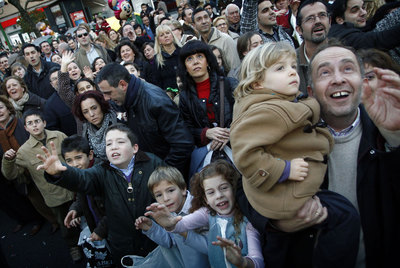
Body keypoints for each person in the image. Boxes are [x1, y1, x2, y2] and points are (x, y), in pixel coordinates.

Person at [230, 41, 360, 267]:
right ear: (258, 82)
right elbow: (244, 157)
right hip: (287, 201)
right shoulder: (270, 110)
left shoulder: (383, 133)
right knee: (345, 215)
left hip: (293, 200)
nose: (291, 71)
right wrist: (284, 170)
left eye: (292, 66)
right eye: (280, 68)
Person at [306, 40, 400, 267]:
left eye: (348, 69)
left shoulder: (384, 132)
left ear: (363, 80)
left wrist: (395, 135)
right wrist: (278, 222)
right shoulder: (293, 138)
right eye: (325, 72)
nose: (338, 79)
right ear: (311, 91)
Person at [37, 123, 163, 266]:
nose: (114, 147)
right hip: (123, 244)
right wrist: (60, 172)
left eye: (120, 142)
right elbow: (81, 179)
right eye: (109, 144)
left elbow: (170, 191)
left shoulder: (153, 163)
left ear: (135, 148)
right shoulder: (100, 172)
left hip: (156, 237)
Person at [145, 160, 265, 268]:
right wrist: (171, 224)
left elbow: (258, 261)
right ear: (206, 199)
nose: (219, 195)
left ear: (234, 188)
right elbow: (183, 224)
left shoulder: (248, 223)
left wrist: (243, 262)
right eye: (211, 192)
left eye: (223, 188)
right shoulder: (206, 213)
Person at [1, 108, 82, 262]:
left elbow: (72, 155)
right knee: (66, 224)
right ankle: (73, 246)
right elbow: (11, 174)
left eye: (37, 121)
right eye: (30, 123)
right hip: (54, 196)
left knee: (86, 214)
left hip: (74, 188)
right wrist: (8, 160)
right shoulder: (24, 151)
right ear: (25, 128)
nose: (35, 125)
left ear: (44, 122)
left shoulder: (59, 136)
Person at [96, 63, 194, 178]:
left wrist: (163, 173)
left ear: (122, 85)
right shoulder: (119, 101)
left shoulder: (156, 101)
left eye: (108, 93)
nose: (106, 98)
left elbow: (182, 144)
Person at [132, 166, 210, 267]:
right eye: (159, 195)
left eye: (170, 191)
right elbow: (170, 242)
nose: (166, 198)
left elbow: (212, 248)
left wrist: (181, 231)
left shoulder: (199, 209)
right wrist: (151, 228)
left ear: (183, 189)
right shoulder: (169, 212)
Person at [177, 41, 237, 154]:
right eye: (189, 59)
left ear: (208, 61)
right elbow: (185, 129)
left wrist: (229, 133)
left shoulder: (230, 85)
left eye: (200, 56)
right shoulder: (185, 96)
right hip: (207, 153)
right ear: (185, 67)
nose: (195, 62)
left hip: (236, 147)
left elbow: (246, 115)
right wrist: (205, 133)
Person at [61, 135, 112, 267]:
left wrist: (101, 230)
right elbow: (81, 197)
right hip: (96, 224)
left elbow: (115, 208)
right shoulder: (80, 174)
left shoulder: (104, 174)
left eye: (78, 158)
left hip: (113, 229)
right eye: (69, 160)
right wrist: (75, 209)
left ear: (90, 155)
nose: (75, 164)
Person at [0, 96, 47, 236]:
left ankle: (59, 222)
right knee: (34, 200)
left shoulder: (22, 124)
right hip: (17, 173)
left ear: (8, 108)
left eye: (1, 107)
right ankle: (41, 220)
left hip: (36, 167)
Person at [328, 0, 400, 50]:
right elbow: (377, 40)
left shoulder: (348, 27)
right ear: (340, 20)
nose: (363, 13)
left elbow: (371, 22)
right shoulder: (341, 36)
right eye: (354, 10)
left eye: (363, 7)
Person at [295, 0, 331, 93]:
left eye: (322, 15)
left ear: (330, 21)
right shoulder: (291, 63)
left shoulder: (345, 55)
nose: (318, 21)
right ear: (299, 30)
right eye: (310, 18)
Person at [73, 91, 119, 161]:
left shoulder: (118, 121)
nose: (91, 114)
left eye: (94, 108)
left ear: (101, 105)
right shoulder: (85, 131)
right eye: (85, 112)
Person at [193, 8, 241, 73]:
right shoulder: (197, 45)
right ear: (194, 25)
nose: (204, 21)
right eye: (199, 19)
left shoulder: (225, 39)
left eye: (206, 17)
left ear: (210, 20)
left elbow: (235, 69)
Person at [153, 24, 182, 91]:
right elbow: (158, 82)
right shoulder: (156, 59)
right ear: (158, 40)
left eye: (167, 33)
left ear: (172, 35)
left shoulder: (183, 51)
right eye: (162, 35)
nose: (166, 36)